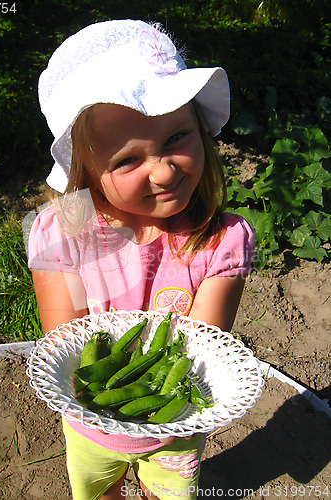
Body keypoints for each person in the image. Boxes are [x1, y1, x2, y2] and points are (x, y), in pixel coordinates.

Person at [27, 19, 254, 500]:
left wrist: (155, 405)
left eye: (177, 138)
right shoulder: (63, 229)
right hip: (91, 424)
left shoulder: (220, 239)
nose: (165, 169)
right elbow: (65, 343)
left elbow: (194, 350)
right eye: (129, 160)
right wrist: (108, 401)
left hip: (173, 427)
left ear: (200, 128)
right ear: (86, 171)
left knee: (165, 493)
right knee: (98, 491)